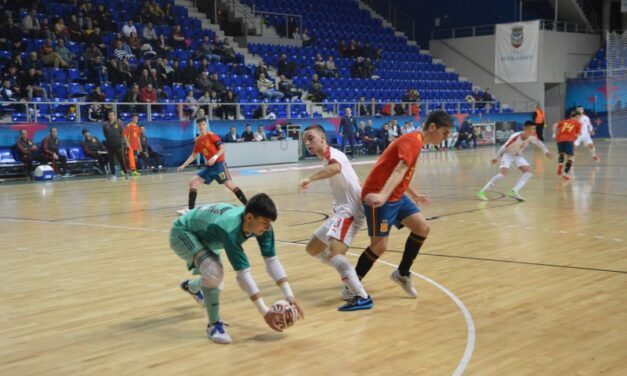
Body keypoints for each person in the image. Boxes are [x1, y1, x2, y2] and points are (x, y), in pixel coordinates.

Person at [173, 193, 304, 343]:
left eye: (270, 222)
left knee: (215, 284)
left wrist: (289, 295)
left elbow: (272, 261)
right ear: (249, 218)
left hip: (208, 237)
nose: (268, 227)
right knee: (214, 274)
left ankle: (192, 287)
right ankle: (214, 325)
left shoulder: (260, 225)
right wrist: (264, 312)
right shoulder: (230, 228)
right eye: (265, 222)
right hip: (183, 232)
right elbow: (243, 275)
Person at [353, 110, 454, 298]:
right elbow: (400, 169)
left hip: (396, 196)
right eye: (445, 132)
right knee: (379, 246)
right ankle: (353, 283)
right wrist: (382, 195)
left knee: (422, 228)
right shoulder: (413, 141)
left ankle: (402, 273)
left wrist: (413, 194)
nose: (446, 137)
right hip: (378, 195)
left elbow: (401, 171)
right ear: (432, 127)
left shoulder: (416, 140)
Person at [299, 125, 373, 311]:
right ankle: (348, 276)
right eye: (305, 140)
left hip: (350, 211)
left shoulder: (334, 155)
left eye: (311, 138)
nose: (307, 142)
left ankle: (361, 295)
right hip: (341, 211)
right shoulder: (328, 158)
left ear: (323, 138)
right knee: (312, 248)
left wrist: (309, 178)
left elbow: (336, 168)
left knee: (334, 254)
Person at [176, 117, 248, 215]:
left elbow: (222, 148)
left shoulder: (212, 135)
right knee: (193, 182)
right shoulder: (198, 140)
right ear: (197, 126)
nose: (201, 126)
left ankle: (248, 206)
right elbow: (194, 155)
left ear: (206, 125)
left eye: (203, 124)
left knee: (230, 185)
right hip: (210, 167)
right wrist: (183, 165)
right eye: (199, 125)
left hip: (219, 165)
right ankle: (190, 210)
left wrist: (214, 158)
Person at [477, 121, 552, 202]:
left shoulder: (532, 136)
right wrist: (496, 158)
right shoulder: (515, 137)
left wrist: (546, 151)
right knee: (503, 174)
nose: (534, 130)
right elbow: (504, 147)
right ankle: (482, 191)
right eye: (532, 129)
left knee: (528, 172)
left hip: (517, 155)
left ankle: (514, 191)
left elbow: (539, 143)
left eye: (534, 129)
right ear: (526, 129)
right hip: (507, 154)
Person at [552, 111, 582, 181]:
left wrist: (553, 134)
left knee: (561, 153)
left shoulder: (563, 121)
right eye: (579, 117)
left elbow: (554, 125)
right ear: (576, 117)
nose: (579, 119)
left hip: (560, 139)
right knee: (571, 157)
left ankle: (560, 164)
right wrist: (575, 139)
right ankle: (565, 173)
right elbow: (577, 135)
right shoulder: (578, 123)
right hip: (569, 140)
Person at [103, 111, 129, 179]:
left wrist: (122, 143)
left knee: (121, 160)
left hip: (118, 145)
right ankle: (113, 175)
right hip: (109, 145)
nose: (111, 116)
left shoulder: (119, 124)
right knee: (111, 160)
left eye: (113, 115)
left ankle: (126, 173)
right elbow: (105, 134)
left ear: (115, 116)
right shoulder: (105, 125)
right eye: (110, 115)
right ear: (108, 116)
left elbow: (121, 134)